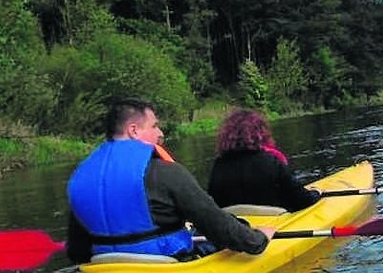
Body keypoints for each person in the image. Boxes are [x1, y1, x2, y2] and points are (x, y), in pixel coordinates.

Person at [66, 98, 273, 264]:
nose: (160, 133)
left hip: (108, 266)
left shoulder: (79, 179)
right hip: (168, 264)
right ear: (134, 130)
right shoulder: (166, 173)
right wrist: (258, 239)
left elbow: (77, 252)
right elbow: (217, 226)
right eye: (155, 126)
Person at [207, 108, 321, 212]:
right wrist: (316, 193)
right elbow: (302, 200)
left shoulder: (219, 165)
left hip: (237, 227)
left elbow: (216, 205)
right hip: (274, 226)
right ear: (260, 133)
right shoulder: (272, 162)